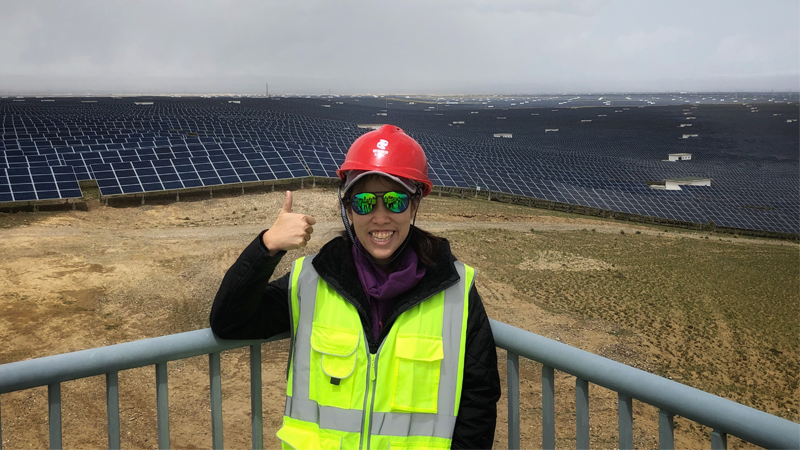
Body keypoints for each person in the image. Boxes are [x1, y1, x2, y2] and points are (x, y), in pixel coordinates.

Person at [210, 125, 500, 449]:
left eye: (395, 201)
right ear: (348, 208)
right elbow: (229, 322)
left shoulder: (456, 292)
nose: (379, 217)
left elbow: (479, 400)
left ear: (415, 205)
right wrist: (267, 247)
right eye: (363, 202)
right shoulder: (311, 281)